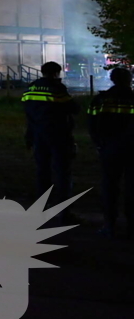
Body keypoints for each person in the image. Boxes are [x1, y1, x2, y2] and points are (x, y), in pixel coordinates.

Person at [22, 61, 79, 221]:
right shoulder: (57, 88)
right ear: (56, 73)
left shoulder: (31, 88)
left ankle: (41, 209)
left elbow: (28, 112)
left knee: (42, 172)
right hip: (58, 135)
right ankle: (64, 213)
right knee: (63, 173)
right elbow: (74, 108)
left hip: (38, 135)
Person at [87, 66, 134, 238]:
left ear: (112, 79)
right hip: (132, 149)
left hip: (109, 149)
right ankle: (131, 227)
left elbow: (92, 125)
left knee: (109, 186)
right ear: (130, 80)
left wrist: (99, 144)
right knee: (132, 187)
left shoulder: (100, 99)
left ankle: (109, 225)